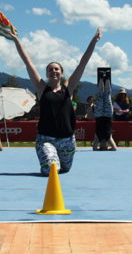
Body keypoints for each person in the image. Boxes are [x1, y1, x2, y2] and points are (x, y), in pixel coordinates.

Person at [12, 27, 101, 175]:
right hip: (46, 139)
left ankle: (60, 160)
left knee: (65, 169)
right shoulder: (41, 88)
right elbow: (28, 62)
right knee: (52, 168)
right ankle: (48, 160)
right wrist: (16, 40)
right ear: (46, 73)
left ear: (62, 73)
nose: (54, 71)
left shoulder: (69, 88)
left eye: (56, 69)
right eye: (50, 69)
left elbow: (82, 63)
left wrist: (93, 41)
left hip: (67, 140)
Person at [92, 69, 118, 151]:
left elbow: (94, 148)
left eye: (102, 147)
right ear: (107, 146)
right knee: (107, 95)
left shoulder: (97, 137)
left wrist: (99, 148)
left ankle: (101, 78)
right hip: (107, 115)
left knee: (100, 95)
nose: (104, 146)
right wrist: (109, 149)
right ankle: (106, 78)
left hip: (99, 115)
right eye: (105, 147)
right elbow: (114, 148)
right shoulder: (108, 137)